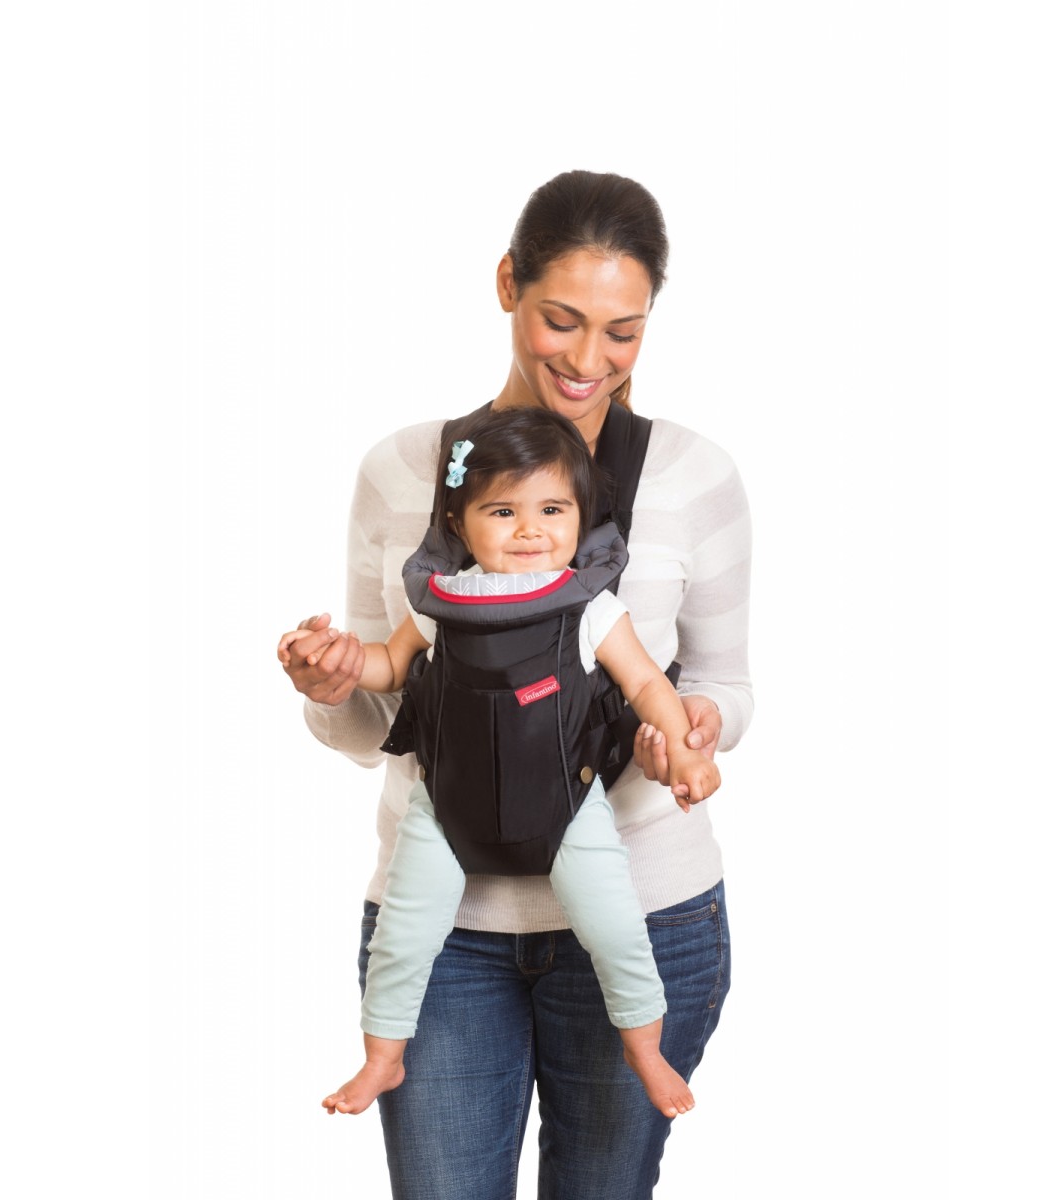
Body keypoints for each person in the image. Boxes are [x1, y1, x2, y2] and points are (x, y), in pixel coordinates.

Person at [280, 169, 753, 1200]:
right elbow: (370, 721)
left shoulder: (695, 476)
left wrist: (694, 730)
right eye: (561, 320)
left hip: (642, 900)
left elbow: (721, 684)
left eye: (623, 332)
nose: (588, 361)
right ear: (507, 284)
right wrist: (331, 681)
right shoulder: (409, 471)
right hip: (445, 924)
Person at [279, 406, 721, 1121]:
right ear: (459, 524)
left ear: (581, 518)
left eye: (552, 509)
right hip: (444, 809)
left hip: (567, 806)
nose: (530, 529)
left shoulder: (589, 608)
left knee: (617, 928)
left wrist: (687, 753)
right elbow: (388, 666)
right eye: (503, 511)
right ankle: (383, 1057)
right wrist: (336, 661)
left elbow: (646, 683)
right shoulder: (439, 604)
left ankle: (644, 1047)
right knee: (403, 933)